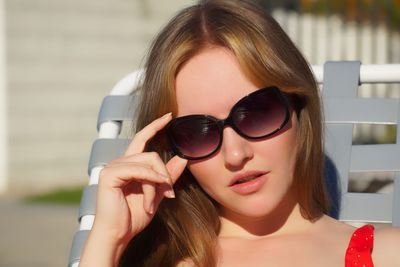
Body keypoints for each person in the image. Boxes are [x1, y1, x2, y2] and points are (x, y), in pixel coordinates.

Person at [79, 1, 400, 266]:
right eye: (197, 132)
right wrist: (109, 238)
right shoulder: (168, 261)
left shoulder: (384, 254)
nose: (235, 155)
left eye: (257, 113)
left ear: (298, 105)